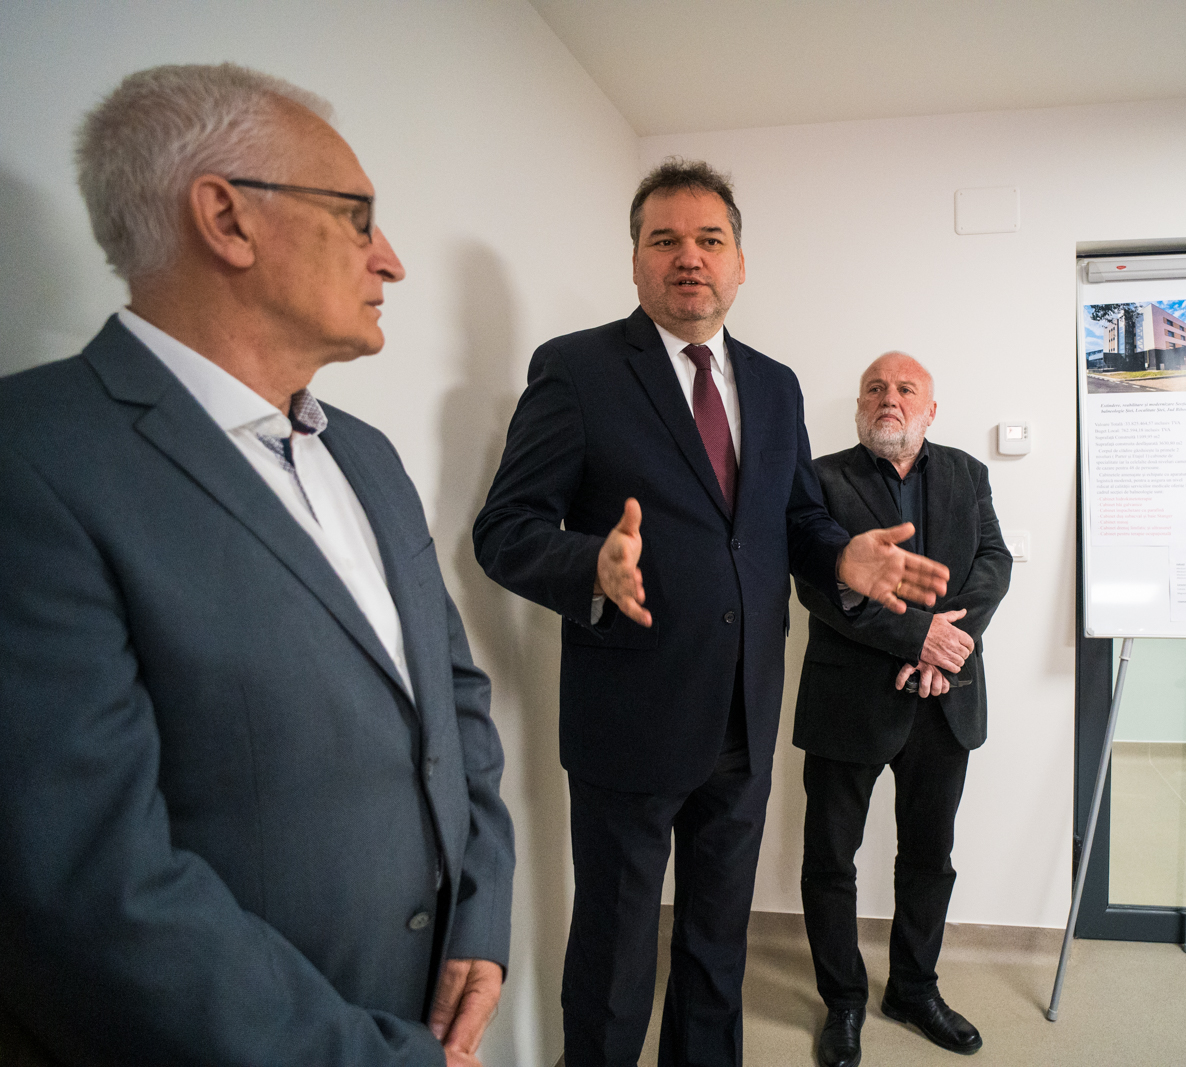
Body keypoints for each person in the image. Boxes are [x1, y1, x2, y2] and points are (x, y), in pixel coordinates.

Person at [0, 64, 514, 1067]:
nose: (392, 260)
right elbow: (85, 887)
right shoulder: (32, 459)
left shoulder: (367, 455)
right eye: (358, 218)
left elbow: (452, 699)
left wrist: (482, 915)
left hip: (426, 1001)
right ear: (227, 219)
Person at [473, 159, 949, 1067]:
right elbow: (505, 528)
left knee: (716, 949)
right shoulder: (577, 369)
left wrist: (841, 555)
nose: (688, 257)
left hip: (743, 714)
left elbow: (796, 520)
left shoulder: (774, 384)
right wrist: (591, 564)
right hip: (628, 716)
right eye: (665, 240)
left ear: (739, 263)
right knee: (615, 958)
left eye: (709, 239)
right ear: (636, 260)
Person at [793, 352, 1011, 1067]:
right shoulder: (820, 478)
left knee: (928, 857)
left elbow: (993, 564)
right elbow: (820, 587)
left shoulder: (968, 474)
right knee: (831, 860)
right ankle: (844, 1001)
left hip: (944, 701)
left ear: (930, 409)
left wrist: (944, 647)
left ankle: (914, 989)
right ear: (860, 405)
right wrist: (917, 637)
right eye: (876, 388)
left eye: (906, 388)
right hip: (848, 701)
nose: (890, 397)